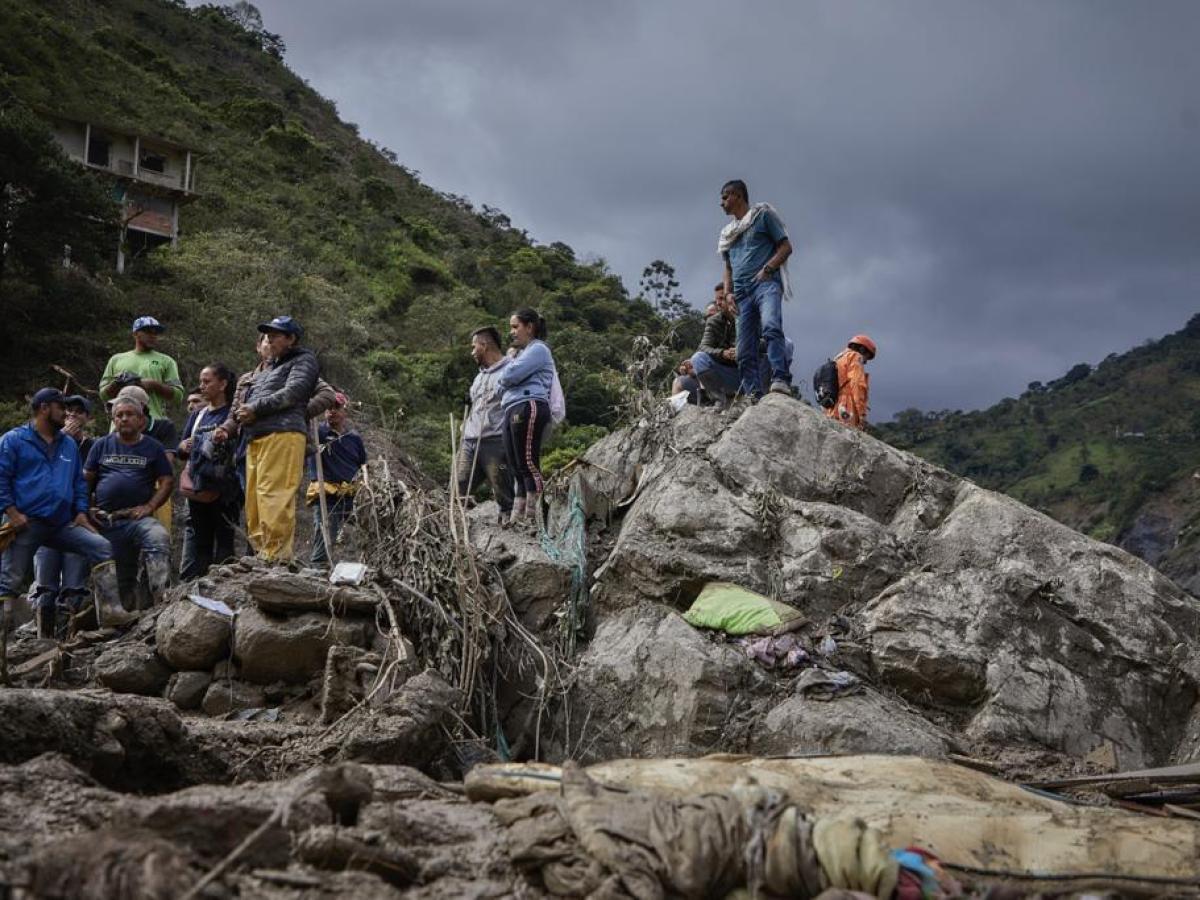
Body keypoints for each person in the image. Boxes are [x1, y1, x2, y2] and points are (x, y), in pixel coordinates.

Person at [0, 389, 118, 640]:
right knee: (8, 581)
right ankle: (3, 645)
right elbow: (1, 479)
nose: (66, 413)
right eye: (60, 407)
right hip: (25, 522)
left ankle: (111, 612)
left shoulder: (68, 445)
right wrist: (11, 511)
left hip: (61, 522)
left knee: (101, 546)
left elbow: (78, 483)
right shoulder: (14, 440)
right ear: (44, 408)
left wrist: (81, 513)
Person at [231, 316, 319, 562]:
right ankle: (262, 552)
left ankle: (277, 555)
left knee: (274, 494)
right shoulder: (268, 368)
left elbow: (295, 392)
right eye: (267, 335)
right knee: (254, 498)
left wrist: (255, 408)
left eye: (275, 335)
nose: (269, 339)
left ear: (291, 339)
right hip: (255, 435)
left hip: (283, 432)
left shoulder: (304, 359)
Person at [84, 396, 173, 611]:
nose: (124, 419)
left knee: (158, 537)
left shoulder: (153, 447)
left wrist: (150, 506)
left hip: (137, 519)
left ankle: (161, 604)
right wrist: (86, 509)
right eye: (119, 415)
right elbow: (85, 480)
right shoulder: (100, 445)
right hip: (105, 520)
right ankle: (113, 621)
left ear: (141, 419)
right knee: (120, 573)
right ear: (114, 420)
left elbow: (167, 481)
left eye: (129, 414)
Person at [718, 180, 794, 399]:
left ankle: (780, 378)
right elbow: (728, 267)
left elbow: (786, 247)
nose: (721, 203)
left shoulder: (762, 215)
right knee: (744, 350)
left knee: (771, 326)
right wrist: (728, 293)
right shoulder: (728, 234)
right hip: (740, 295)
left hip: (765, 285)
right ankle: (753, 394)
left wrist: (768, 269)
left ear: (737, 196)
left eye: (725, 197)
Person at [28, 395, 97, 637]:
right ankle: (42, 641)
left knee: (74, 587)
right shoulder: (43, 442)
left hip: (76, 522)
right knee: (45, 586)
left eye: (79, 412)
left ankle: (66, 645)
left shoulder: (93, 447)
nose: (72, 416)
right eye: (68, 410)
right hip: (45, 521)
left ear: (88, 418)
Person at [498, 308, 556, 529]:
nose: (512, 332)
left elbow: (508, 376)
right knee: (515, 465)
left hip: (529, 405)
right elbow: (499, 386)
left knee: (528, 461)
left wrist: (510, 367)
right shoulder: (520, 356)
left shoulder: (538, 349)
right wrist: (510, 370)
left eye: (516, 326)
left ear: (529, 327)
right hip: (511, 407)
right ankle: (519, 512)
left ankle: (536, 512)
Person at [178, 363, 238, 579]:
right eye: (201, 381)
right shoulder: (198, 415)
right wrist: (183, 447)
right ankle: (197, 590)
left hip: (225, 491)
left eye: (207, 381)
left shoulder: (233, 415)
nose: (201, 386)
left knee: (224, 540)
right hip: (198, 487)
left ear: (222, 384)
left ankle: (224, 588)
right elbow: (182, 449)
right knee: (200, 543)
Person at [457, 326, 514, 522]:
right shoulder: (479, 377)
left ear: (485, 345)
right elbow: (476, 406)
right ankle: (455, 527)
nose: (472, 352)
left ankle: (509, 527)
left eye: (474, 347)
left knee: (503, 492)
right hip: (470, 441)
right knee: (458, 486)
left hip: (495, 441)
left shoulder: (510, 371)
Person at [306, 393, 367, 568]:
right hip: (327, 494)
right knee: (324, 534)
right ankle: (317, 570)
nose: (332, 412)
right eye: (328, 408)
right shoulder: (318, 434)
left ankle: (359, 568)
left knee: (361, 536)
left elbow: (362, 464)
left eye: (336, 408)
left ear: (344, 412)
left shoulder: (353, 438)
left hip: (351, 495)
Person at [114, 384, 178, 535]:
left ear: (141, 407)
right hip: (122, 498)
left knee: (158, 536)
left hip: (156, 490)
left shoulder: (164, 427)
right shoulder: (118, 427)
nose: (123, 416)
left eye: (128, 410)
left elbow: (167, 464)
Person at [98, 316, 185, 421]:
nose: (153, 336)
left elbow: (178, 397)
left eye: (156, 333)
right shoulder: (116, 359)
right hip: (121, 423)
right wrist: (117, 383)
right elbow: (103, 395)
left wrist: (154, 384)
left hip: (153, 423)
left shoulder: (167, 361)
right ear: (135, 334)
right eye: (148, 332)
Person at [672, 284, 741, 406]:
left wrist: (739, 349)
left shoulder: (742, 318)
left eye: (712, 314)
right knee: (679, 380)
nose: (709, 318)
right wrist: (690, 367)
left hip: (736, 372)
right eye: (707, 317)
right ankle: (676, 414)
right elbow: (703, 353)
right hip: (713, 377)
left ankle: (718, 398)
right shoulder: (712, 328)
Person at [826, 335, 876, 430]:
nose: (865, 362)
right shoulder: (855, 356)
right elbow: (857, 384)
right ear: (862, 349)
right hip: (847, 406)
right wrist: (861, 414)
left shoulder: (839, 357)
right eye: (866, 357)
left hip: (834, 405)